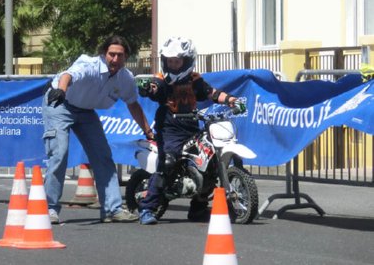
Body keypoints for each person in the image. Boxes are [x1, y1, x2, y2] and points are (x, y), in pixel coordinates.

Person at [42, 35, 154, 224]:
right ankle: (49, 209)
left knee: (103, 155)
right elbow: (67, 76)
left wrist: (148, 132)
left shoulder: (125, 78)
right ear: (104, 54)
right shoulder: (89, 64)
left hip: (86, 111)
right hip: (61, 103)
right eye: (112, 54)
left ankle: (112, 209)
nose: (115, 59)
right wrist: (61, 90)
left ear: (126, 57)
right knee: (60, 153)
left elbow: (133, 105)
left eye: (120, 55)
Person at [137, 36, 245, 225]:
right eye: (170, 61)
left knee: (210, 163)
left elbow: (211, 93)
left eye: (177, 61)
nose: (173, 65)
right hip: (169, 128)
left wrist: (231, 100)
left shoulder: (195, 80)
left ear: (186, 61)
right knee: (168, 163)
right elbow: (155, 88)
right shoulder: (161, 79)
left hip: (192, 127)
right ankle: (147, 208)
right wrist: (148, 89)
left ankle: (198, 210)